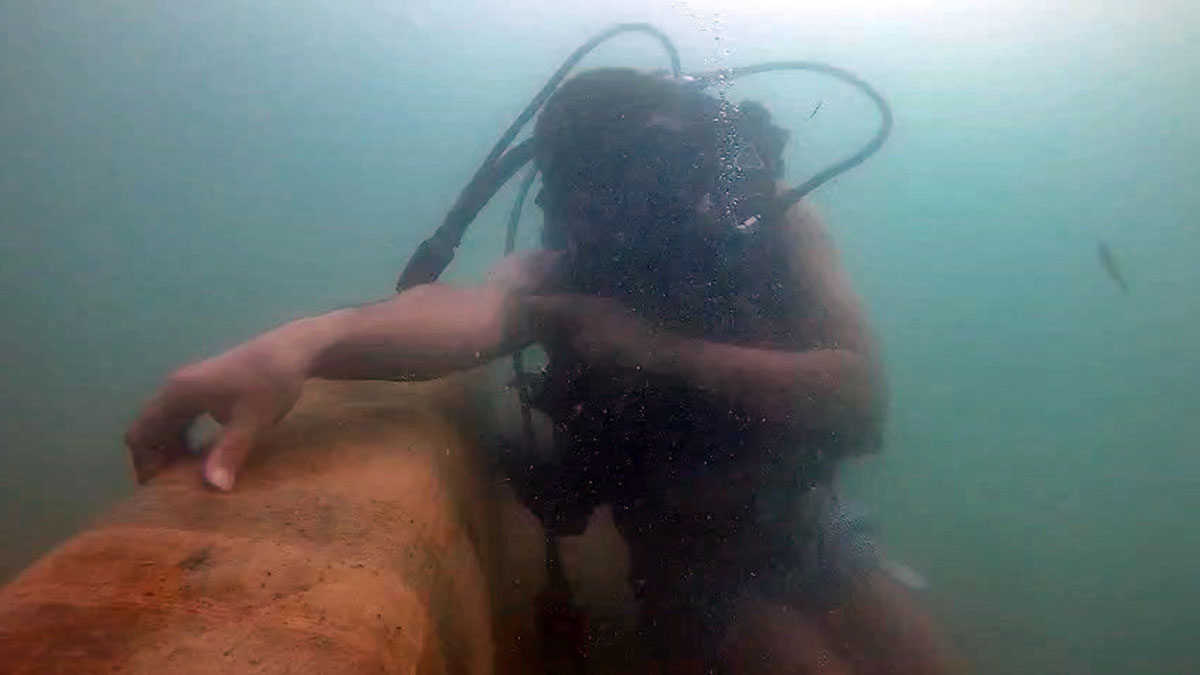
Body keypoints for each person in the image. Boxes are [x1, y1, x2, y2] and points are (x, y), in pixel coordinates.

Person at [127, 68, 963, 673]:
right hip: (693, 566)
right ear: (578, 195)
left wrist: (655, 349)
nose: (646, 211)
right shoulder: (569, 270)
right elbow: (476, 313)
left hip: (808, 522)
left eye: (663, 177)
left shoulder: (779, 226)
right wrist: (311, 341)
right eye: (612, 190)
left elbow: (862, 403)